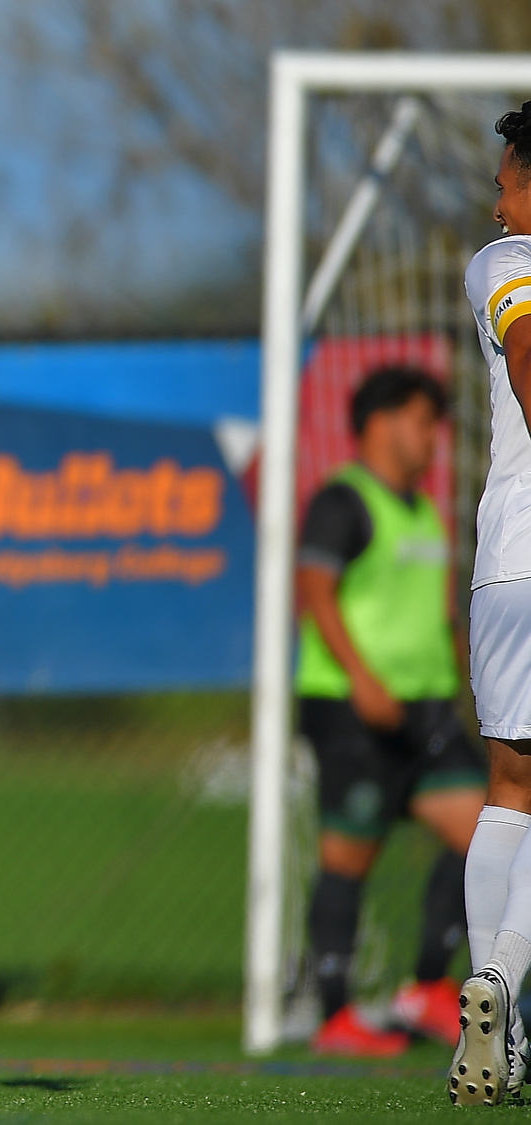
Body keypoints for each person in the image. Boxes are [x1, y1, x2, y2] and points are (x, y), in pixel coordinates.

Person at [294, 366, 485, 1056]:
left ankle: (428, 986)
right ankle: (333, 1017)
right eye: (422, 418)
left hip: (427, 711)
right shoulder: (344, 500)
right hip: (352, 706)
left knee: (494, 833)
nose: (434, 435)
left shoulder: (426, 511)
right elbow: (314, 590)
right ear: (380, 423)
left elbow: (439, 614)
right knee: (348, 857)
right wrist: (361, 676)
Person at [449, 100, 531, 1106]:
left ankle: (495, 1034)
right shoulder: (506, 264)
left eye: (504, 179)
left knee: (509, 791)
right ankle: (504, 982)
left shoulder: (500, 260)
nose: (495, 197)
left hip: (506, 561)